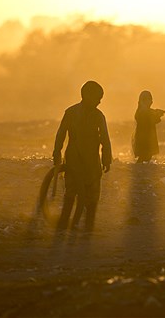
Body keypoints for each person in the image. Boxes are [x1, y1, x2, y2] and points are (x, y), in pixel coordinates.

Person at [53, 81, 112, 233]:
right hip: (76, 161)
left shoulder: (96, 115)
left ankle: (83, 227)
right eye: (98, 97)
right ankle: (67, 225)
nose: (100, 101)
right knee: (72, 194)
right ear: (86, 96)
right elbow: (61, 133)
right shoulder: (72, 112)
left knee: (89, 197)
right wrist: (56, 152)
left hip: (88, 162)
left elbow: (105, 139)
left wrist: (106, 158)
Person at [132, 90, 165, 163]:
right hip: (143, 140)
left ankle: (142, 171)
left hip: (148, 139)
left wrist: (158, 114)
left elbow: (155, 119)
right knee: (143, 157)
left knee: (147, 157)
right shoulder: (141, 112)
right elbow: (147, 119)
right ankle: (140, 171)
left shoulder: (148, 111)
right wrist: (157, 114)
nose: (150, 101)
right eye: (147, 99)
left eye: (150, 99)